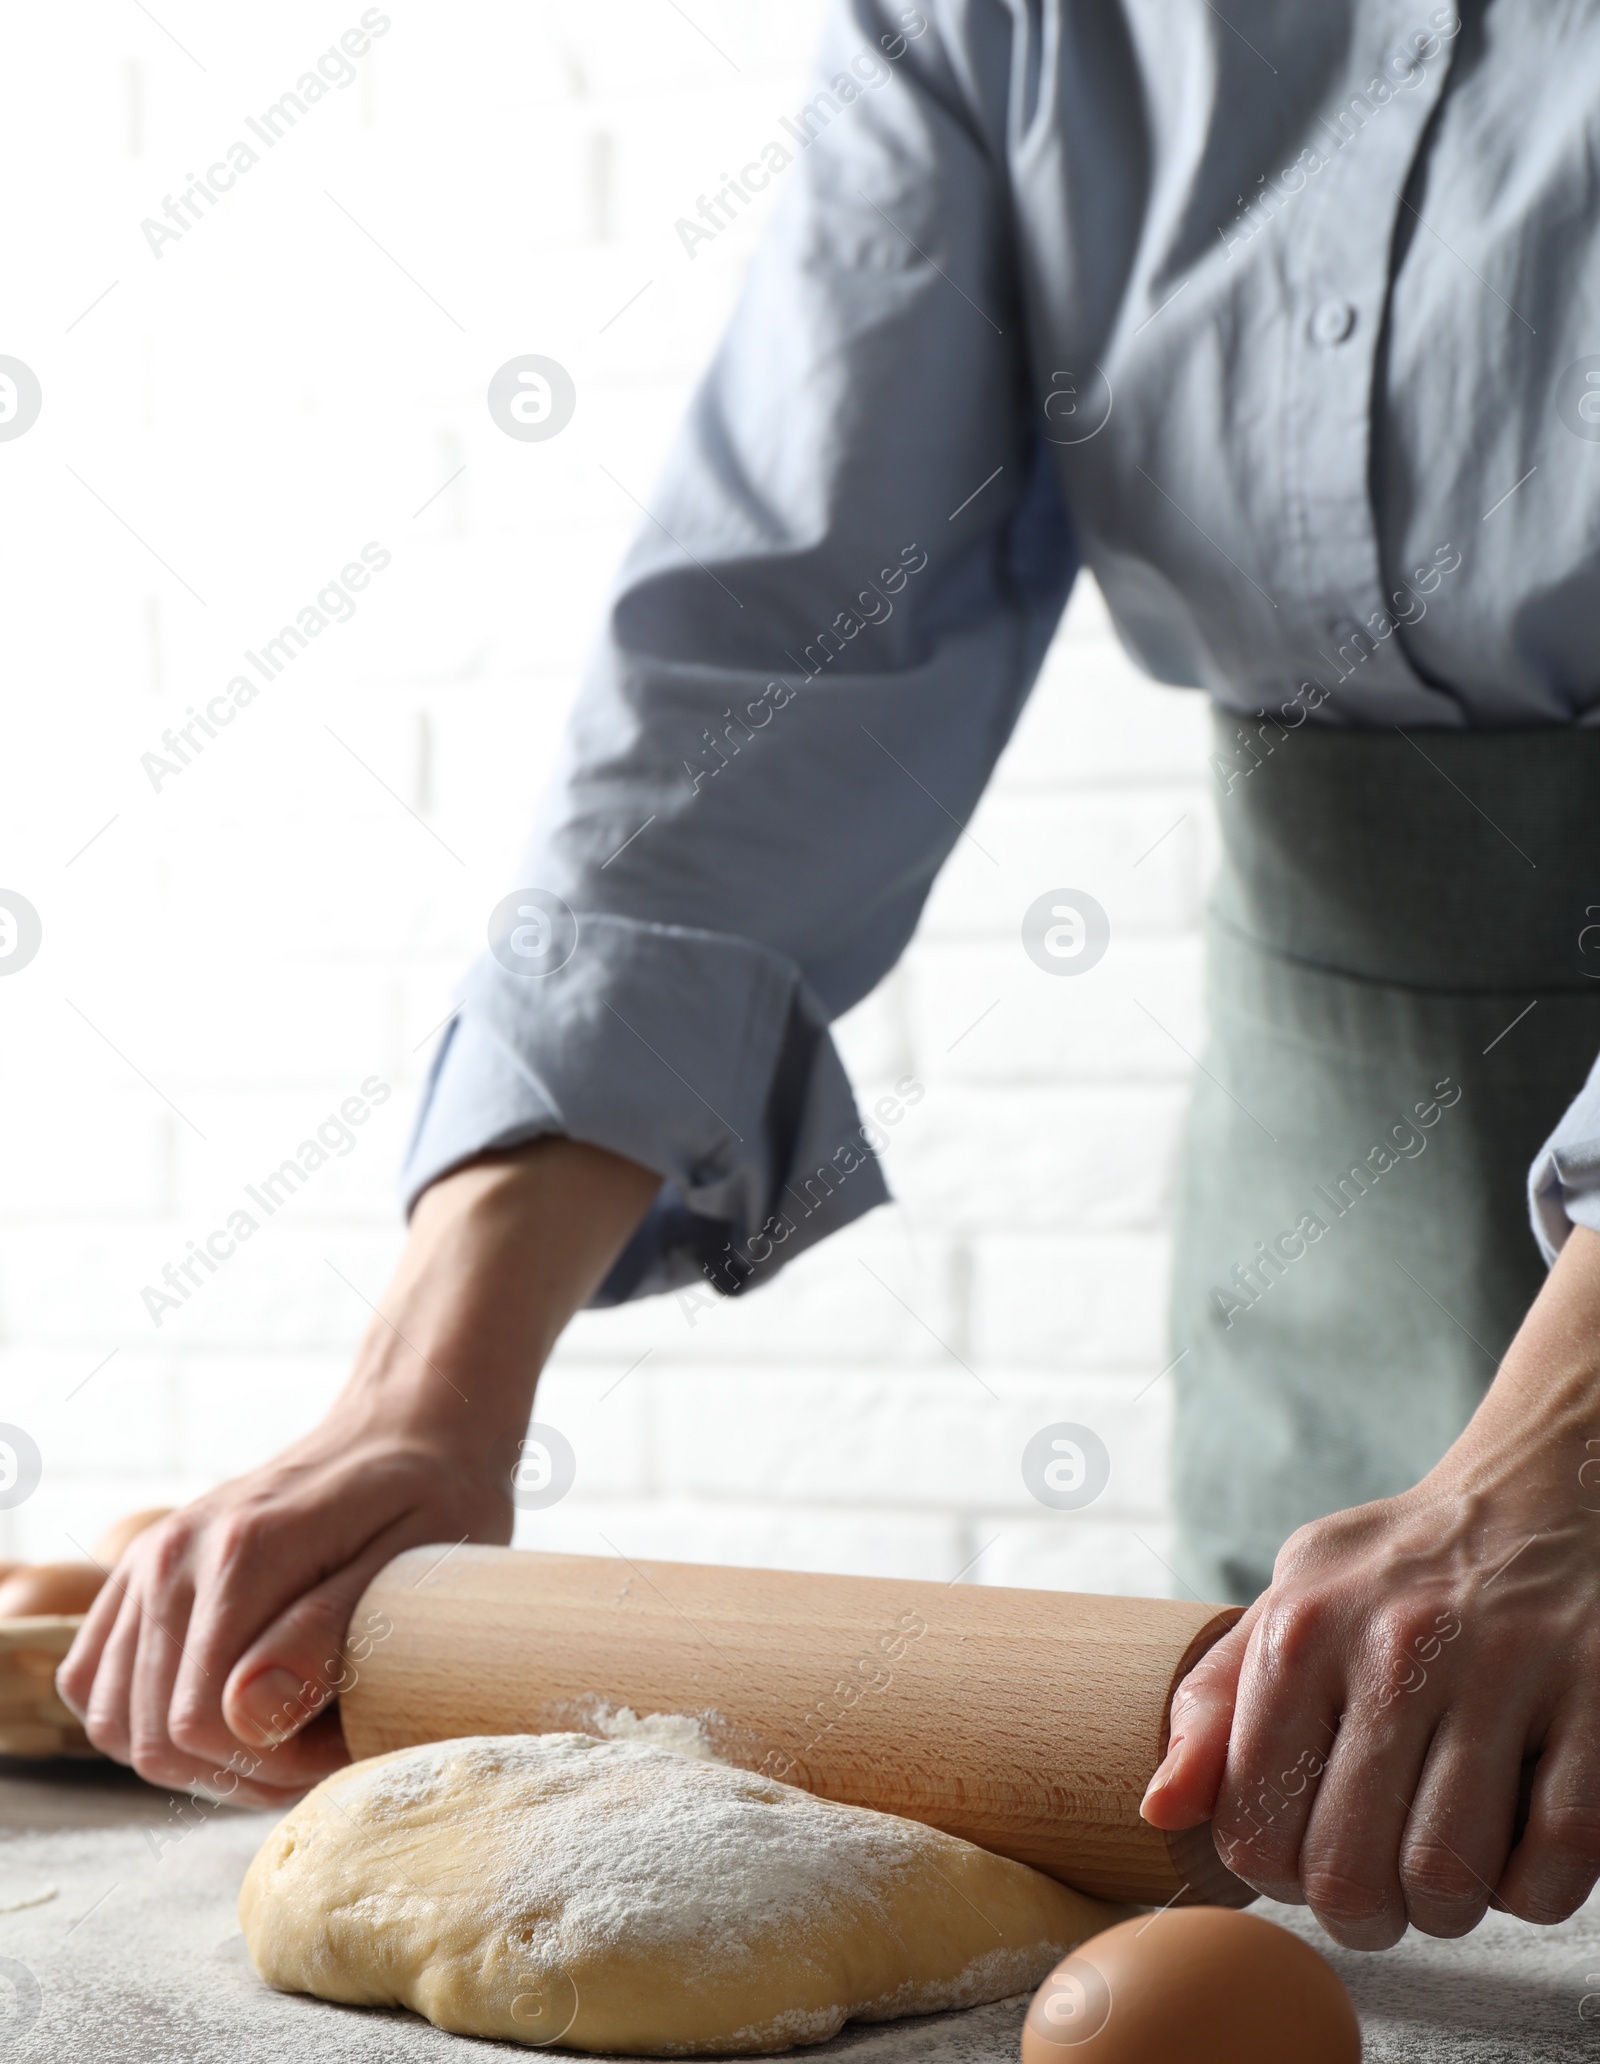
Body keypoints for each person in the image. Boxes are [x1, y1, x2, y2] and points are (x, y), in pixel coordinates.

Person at [60, 0, 1600, 1950]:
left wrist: (1562, 1438)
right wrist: (418, 1396)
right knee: (1347, 1937)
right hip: (1326, 1282)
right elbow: (768, 666)